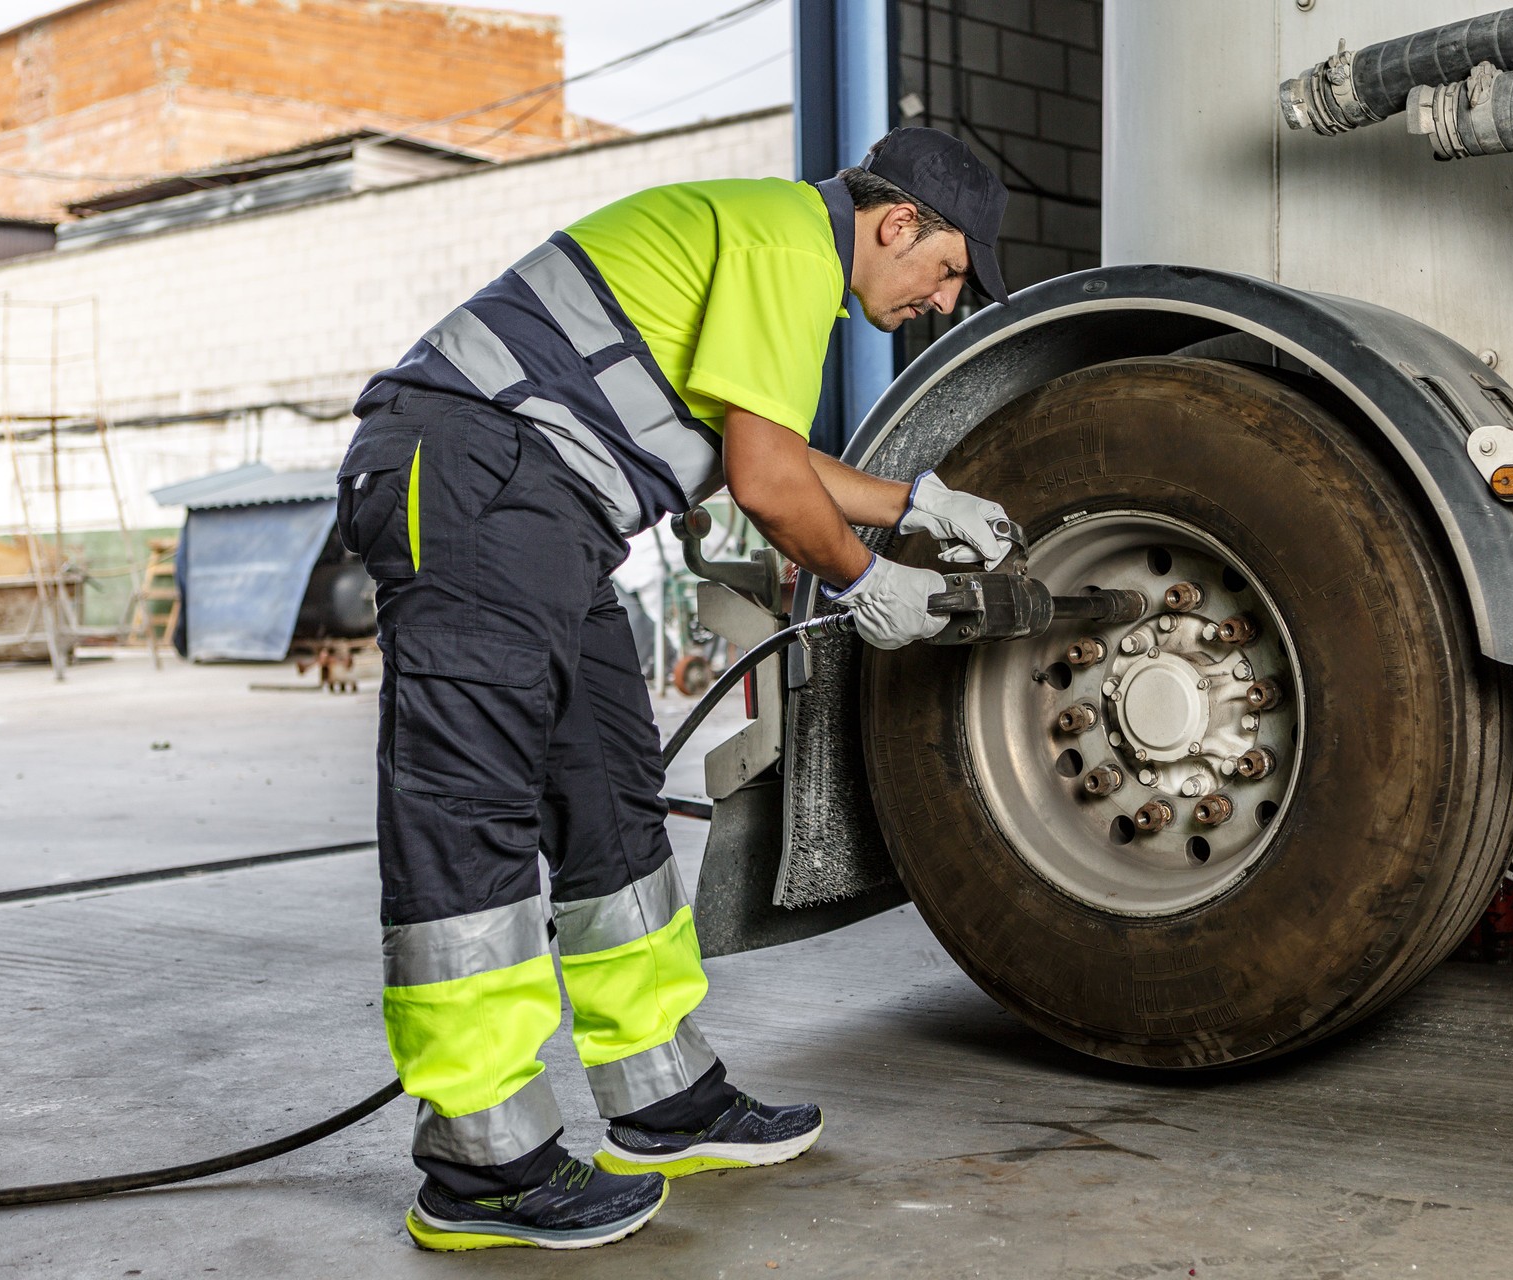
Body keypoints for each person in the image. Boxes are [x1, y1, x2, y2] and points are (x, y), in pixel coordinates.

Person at [334, 127, 1016, 1251]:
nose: (943, 301)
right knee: (473, 807)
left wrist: (917, 503)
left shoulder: (777, 246)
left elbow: (774, 461)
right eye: (948, 271)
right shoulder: (787, 243)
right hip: (468, 473)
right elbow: (764, 481)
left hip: (543, 505)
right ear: (900, 224)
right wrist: (866, 580)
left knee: (608, 789)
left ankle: (660, 1097)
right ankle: (478, 1159)